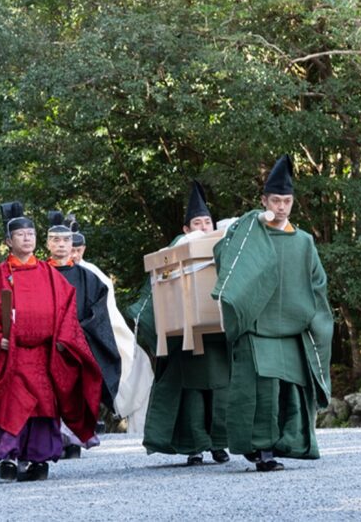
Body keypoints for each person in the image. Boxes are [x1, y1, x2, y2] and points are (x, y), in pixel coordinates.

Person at [0, 202, 102, 482]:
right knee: (12, 404)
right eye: (21, 234)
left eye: (31, 233)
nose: (28, 238)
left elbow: (66, 309)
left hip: (45, 354)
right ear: (8, 241)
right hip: (13, 353)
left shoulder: (50, 274)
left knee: (44, 407)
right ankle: (9, 457)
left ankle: (39, 459)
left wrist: (63, 339)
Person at [212, 155, 332, 472]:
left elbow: (318, 283)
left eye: (287, 201)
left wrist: (316, 321)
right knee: (261, 390)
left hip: (294, 328)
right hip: (256, 327)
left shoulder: (304, 241)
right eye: (275, 200)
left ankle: (287, 443)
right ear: (264, 200)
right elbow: (224, 258)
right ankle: (261, 450)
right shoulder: (248, 235)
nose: (281, 207)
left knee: (291, 388)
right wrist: (250, 221)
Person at [128, 181, 231, 465]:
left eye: (207, 222)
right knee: (193, 392)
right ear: (186, 229)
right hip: (185, 333)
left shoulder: (224, 244)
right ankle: (195, 445)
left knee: (220, 389)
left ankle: (219, 444)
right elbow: (158, 287)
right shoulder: (177, 247)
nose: (203, 227)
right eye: (196, 223)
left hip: (217, 333)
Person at [45, 212, 120, 457]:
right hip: (46, 344)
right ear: (47, 243)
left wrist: (79, 332)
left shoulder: (88, 277)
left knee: (75, 392)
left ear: (74, 245)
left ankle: (74, 440)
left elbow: (99, 308)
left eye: (65, 241)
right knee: (48, 393)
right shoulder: (38, 274)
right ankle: (51, 440)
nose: (61, 245)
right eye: (55, 240)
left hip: (78, 343)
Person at [72, 224, 154, 433]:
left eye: (77, 248)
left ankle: (134, 429)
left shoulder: (93, 273)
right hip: (69, 335)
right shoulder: (52, 271)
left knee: (139, 367)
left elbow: (107, 307)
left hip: (97, 330)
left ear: (84, 249)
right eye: (69, 247)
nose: (74, 252)